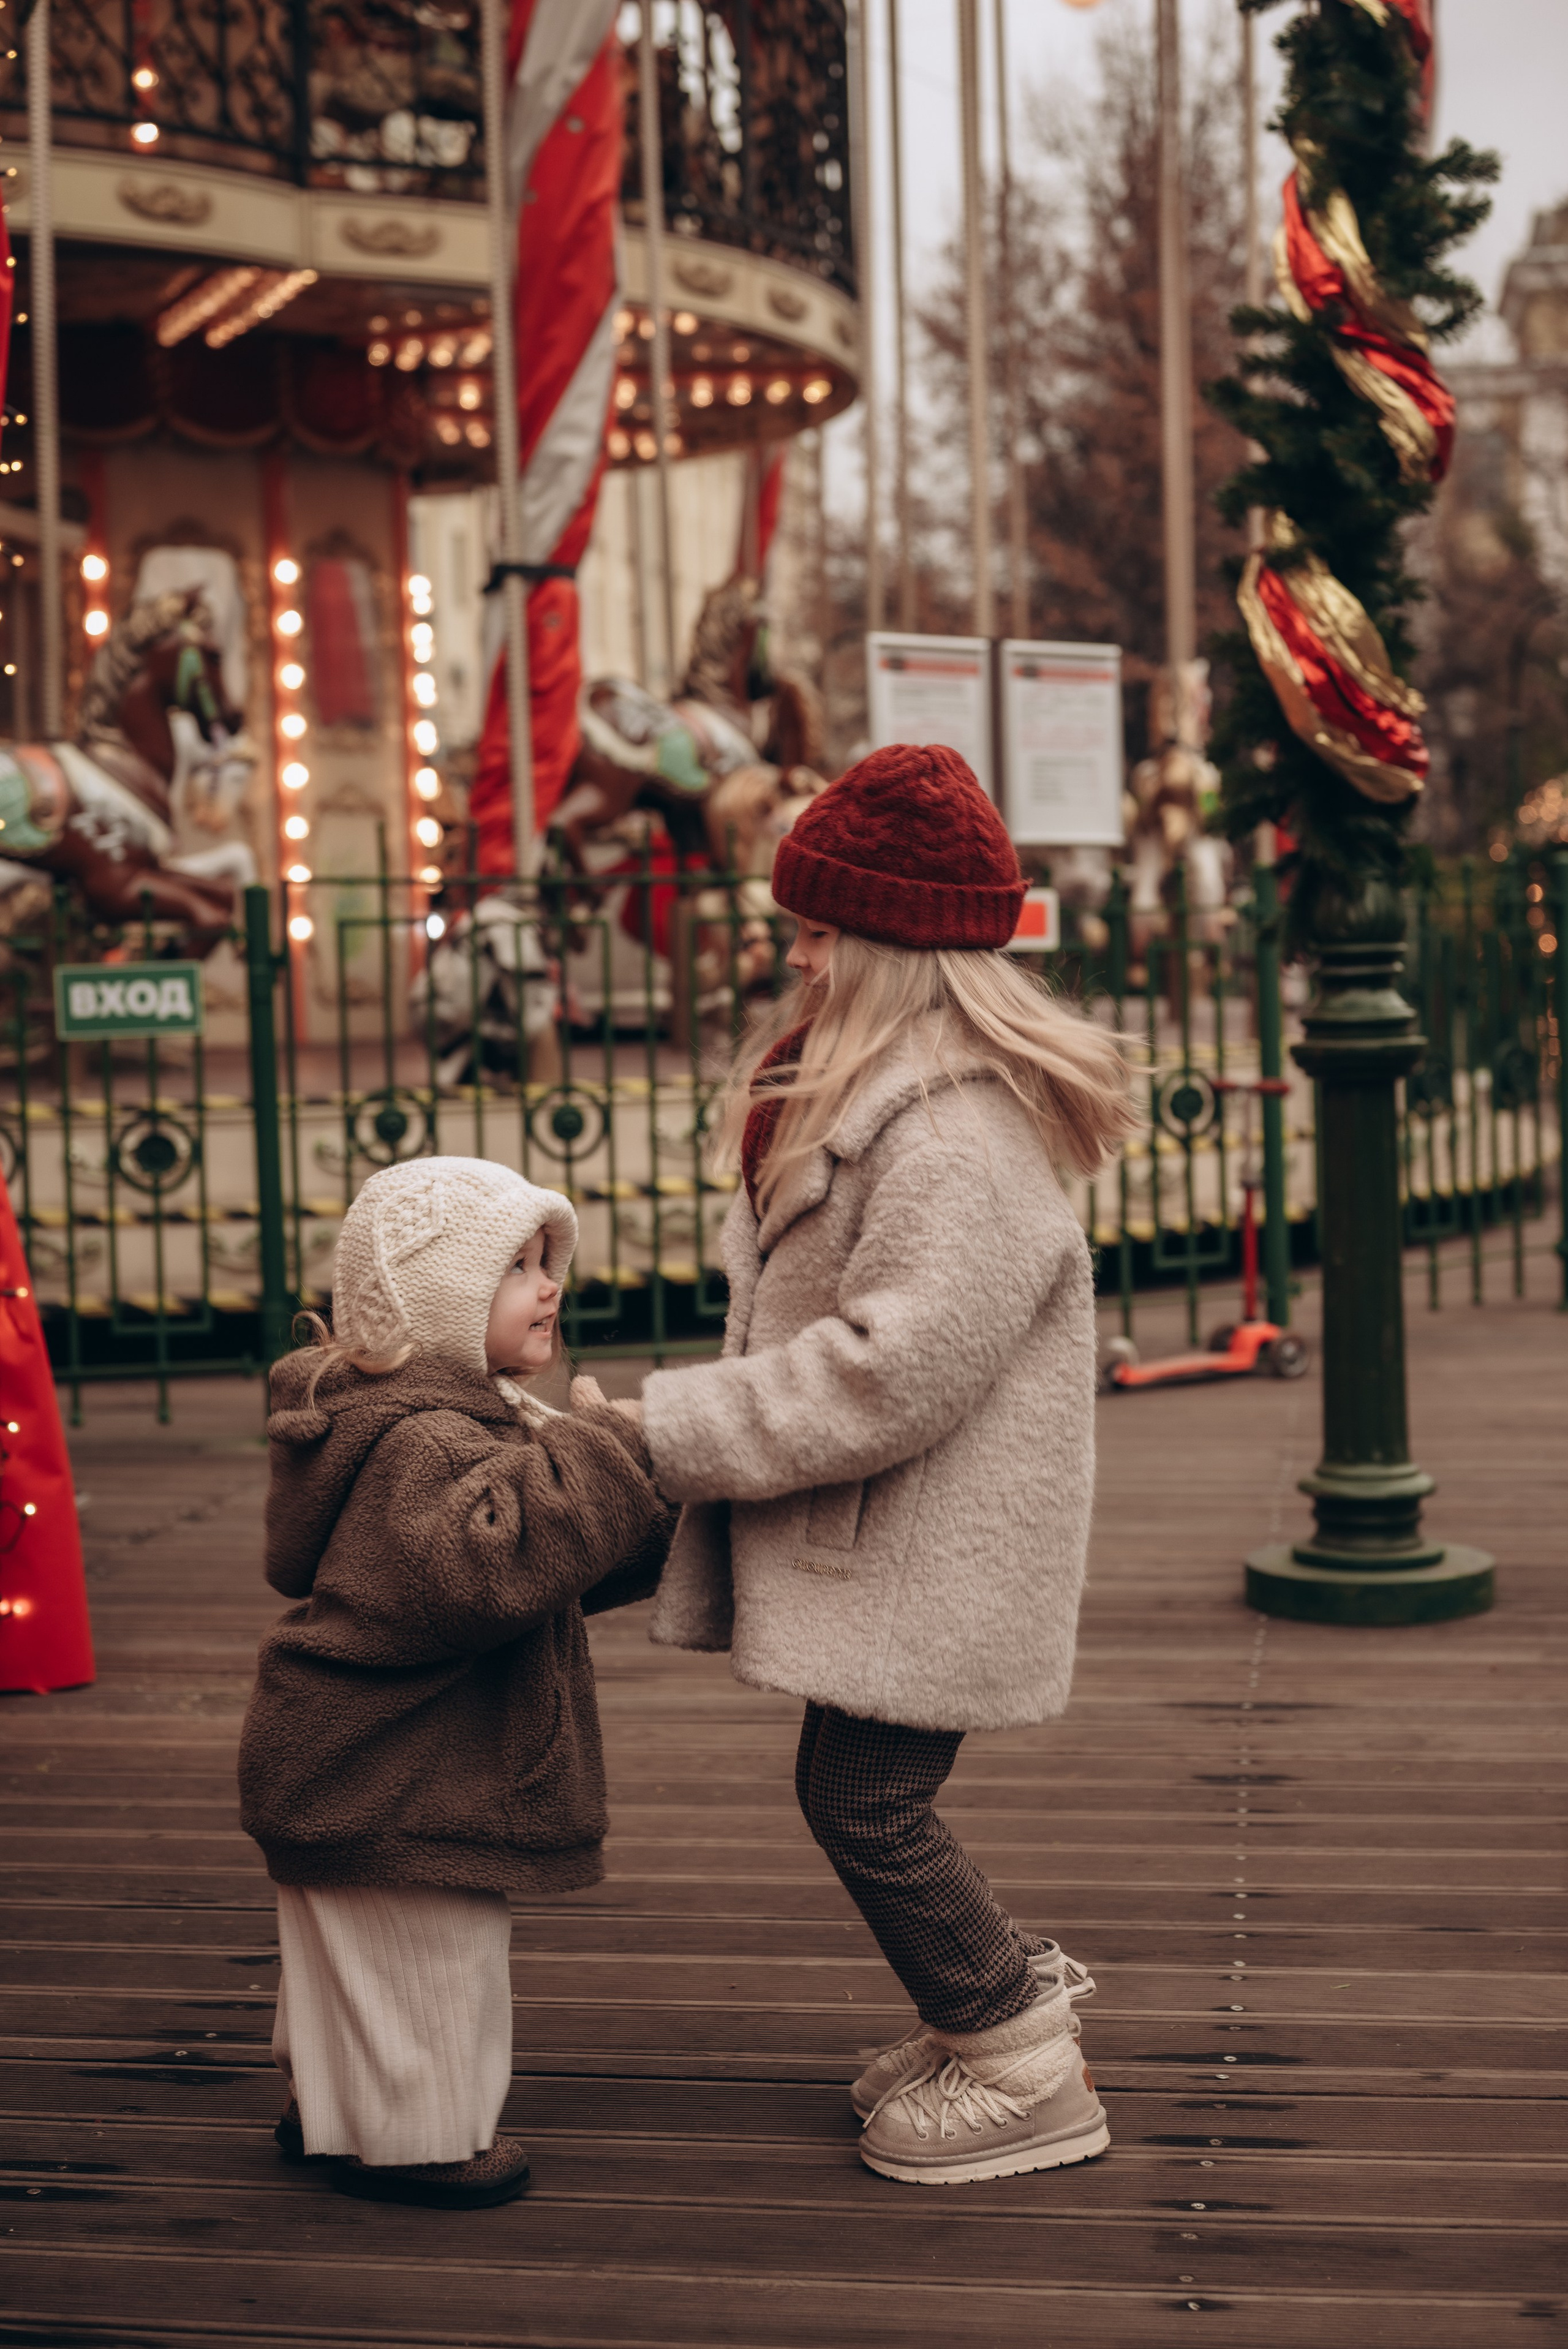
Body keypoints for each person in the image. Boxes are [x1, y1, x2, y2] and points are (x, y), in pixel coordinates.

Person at [635, 743, 1137, 2185]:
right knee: (853, 1789)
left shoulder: (956, 1134)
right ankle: (980, 2009)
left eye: (815, 930)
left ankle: (1019, 2054)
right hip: (900, 1535)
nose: (792, 953)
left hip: (938, 1542)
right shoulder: (886, 1096)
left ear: (888, 946)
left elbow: (882, 1375)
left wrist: (669, 1430)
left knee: (863, 1801)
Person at [238, 1157, 673, 2209]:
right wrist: (604, 1455)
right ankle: (419, 2138)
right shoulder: (426, 1439)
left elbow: (540, 1566)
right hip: (393, 1775)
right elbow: (481, 1571)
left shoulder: (435, 1421)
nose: (549, 1285)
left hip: (355, 1759)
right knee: (427, 1964)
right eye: (516, 1268)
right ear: (438, 1300)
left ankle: (328, 2104)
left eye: (547, 1262)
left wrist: (626, 1491)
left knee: (350, 1964)